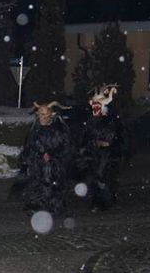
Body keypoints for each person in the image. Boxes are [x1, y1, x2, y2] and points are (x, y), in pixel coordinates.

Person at [15, 101, 72, 216]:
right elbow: (29, 145)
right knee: (36, 185)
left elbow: (66, 147)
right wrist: (32, 156)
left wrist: (52, 154)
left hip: (54, 165)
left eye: (45, 114)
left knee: (52, 185)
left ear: (51, 114)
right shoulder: (35, 129)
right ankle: (36, 207)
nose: (42, 117)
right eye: (40, 114)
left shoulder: (59, 129)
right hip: (37, 163)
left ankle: (52, 208)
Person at [79, 83, 127, 211]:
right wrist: (85, 148)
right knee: (96, 179)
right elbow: (86, 135)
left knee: (107, 179)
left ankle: (108, 202)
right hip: (95, 154)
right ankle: (97, 202)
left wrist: (111, 145)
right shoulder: (91, 120)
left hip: (108, 155)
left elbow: (118, 135)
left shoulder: (112, 119)